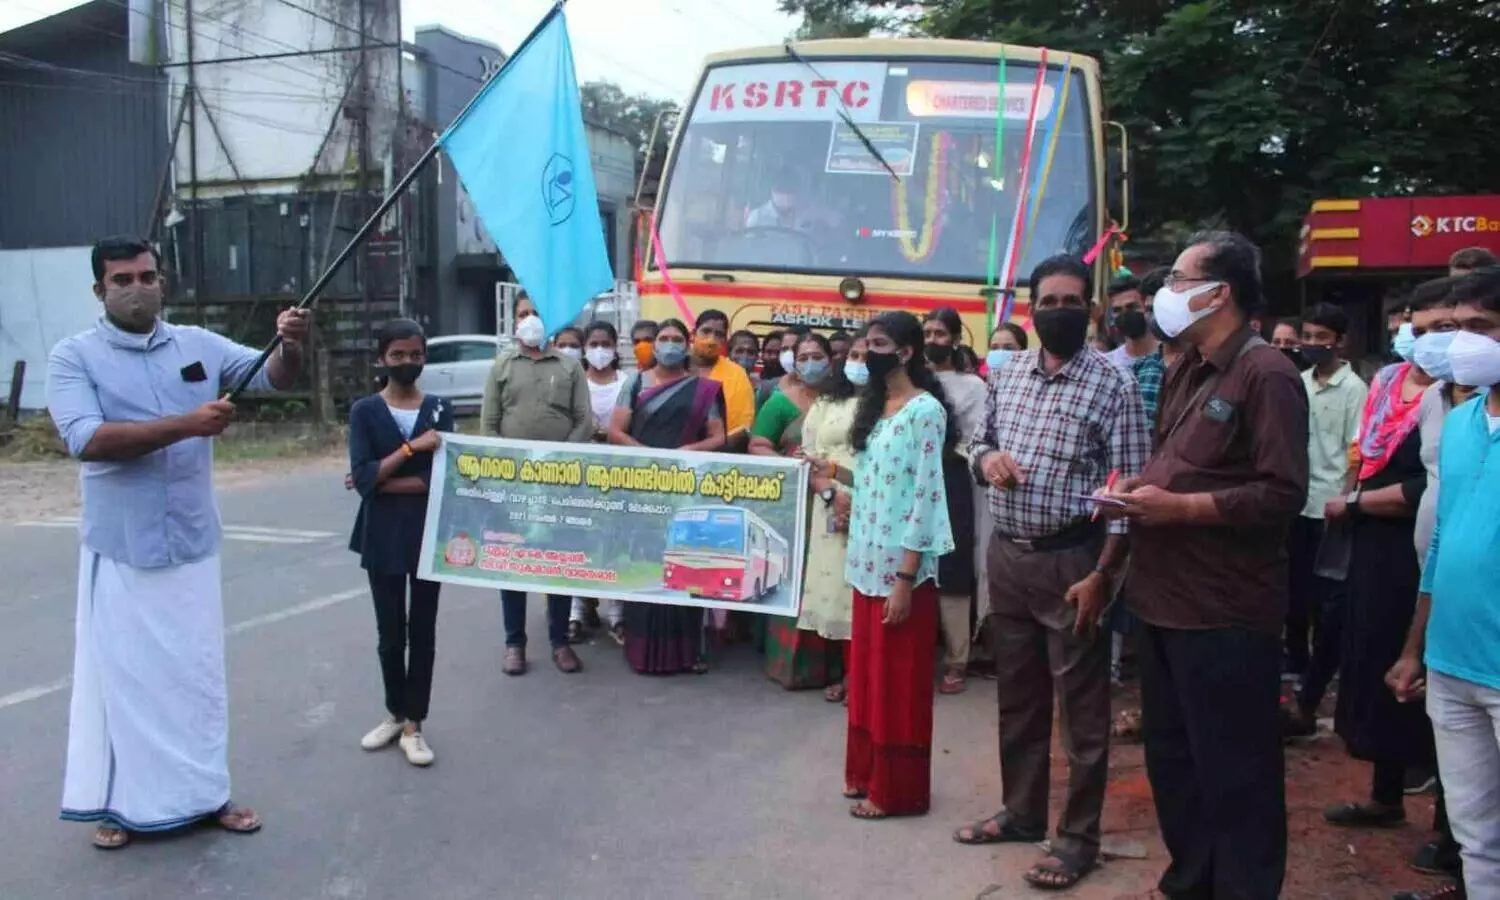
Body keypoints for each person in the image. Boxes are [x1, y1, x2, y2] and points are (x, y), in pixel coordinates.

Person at [49, 236, 309, 849]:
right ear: (99, 290)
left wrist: (292, 342)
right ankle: (118, 806)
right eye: (121, 279)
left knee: (196, 679)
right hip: (122, 549)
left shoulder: (197, 344)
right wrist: (187, 425)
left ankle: (205, 795)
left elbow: (271, 377)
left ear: (163, 280)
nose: (136, 287)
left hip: (191, 542)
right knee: (126, 682)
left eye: (146, 275)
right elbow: (86, 439)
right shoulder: (73, 356)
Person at [1105, 231, 1308, 900]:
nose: (1166, 294)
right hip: (1161, 602)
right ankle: (1191, 880)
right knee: (1174, 762)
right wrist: (1137, 492)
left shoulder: (1267, 374)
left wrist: (1181, 510)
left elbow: (1283, 494)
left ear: (1218, 292)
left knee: (1237, 773)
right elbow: (1177, 465)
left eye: (1179, 279)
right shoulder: (1189, 365)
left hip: (1224, 614)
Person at [955, 255, 1151, 892]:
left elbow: (1126, 493)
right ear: (1030, 308)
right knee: (1018, 697)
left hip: (1073, 561)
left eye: (1072, 302)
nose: (1059, 311)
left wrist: (1104, 574)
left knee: (1083, 711)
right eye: (1048, 301)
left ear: (1091, 311)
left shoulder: (1113, 384)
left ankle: (1076, 840)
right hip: (1008, 555)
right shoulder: (1006, 374)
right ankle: (1020, 812)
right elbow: (976, 441)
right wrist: (988, 461)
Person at [808, 310, 953, 821]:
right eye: (865, 344)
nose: (866, 353)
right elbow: (878, 482)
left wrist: (906, 579)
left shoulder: (924, 411)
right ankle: (865, 775)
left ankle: (898, 792)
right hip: (864, 565)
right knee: (867, 680)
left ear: (906, 352)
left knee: (897, 686)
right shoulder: (877, 406)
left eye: (877, 343)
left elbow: (925, 496)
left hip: (899, 572)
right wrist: (834, 471)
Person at [1388, 267, 1500, 900]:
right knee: (1477, 835)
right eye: (1457, 328)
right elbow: (1441, 543)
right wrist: (1413, 650)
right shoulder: (1459, 424)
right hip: (1452, 662)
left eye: (1481, 329)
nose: (1462, 345)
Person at [1320, 278, 1444, 836]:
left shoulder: (1455, 395)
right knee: (1372, 658)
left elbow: (1427, 489)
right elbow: (1363, 453)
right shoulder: (1389, 381)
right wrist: (1353, 496)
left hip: (1419, 549)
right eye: (1414, 327)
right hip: (1369, 545)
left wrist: (1356, 501)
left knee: (1425, 672)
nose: (1419, 340)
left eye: (1439, 330)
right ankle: (1385, 793)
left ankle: (1448, 827)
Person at [347, 319, 454, 767]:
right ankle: (395, 712)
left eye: (415, 355)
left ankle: (415, 725)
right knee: (389, 634)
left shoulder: (439, 409)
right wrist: (411, 452)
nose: (407, 362)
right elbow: (364, 478)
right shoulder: (364, 411)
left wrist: (380, 477)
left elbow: (443, 479)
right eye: (398, 355)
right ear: (382, 359)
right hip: (381, 537)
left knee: (423, 631)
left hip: (428, 535)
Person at [480, 294, 592, 676]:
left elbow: (584, 421)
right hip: (514, 486)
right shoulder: (500, 367)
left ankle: (560, 641)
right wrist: (507, 473)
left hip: (558, 484)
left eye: (537, 313)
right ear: (514, 322)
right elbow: (489, 426)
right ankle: (515, 644)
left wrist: (558, 464)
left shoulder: (569, 367)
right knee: (512, 562)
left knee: (557, 562)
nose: (530, 320)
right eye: (523, 314)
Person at [608, 319, 728, 674]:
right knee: (644, 563)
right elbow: (615, 431)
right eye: (664, 338)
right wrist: (648, 455)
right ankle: (642, 652)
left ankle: (688, 651)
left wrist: (688, 450)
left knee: (686, 564)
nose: (670, 344)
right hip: (643, 484)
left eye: (678, 339)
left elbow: (718, 437)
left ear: (688, 344)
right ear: (653, 344)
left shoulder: (704, 388)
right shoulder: (636, 382)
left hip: (686, 487)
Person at [763, 332, 856, 694]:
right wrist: (805, 476)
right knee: (808, 580)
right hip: (808, 501)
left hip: (854, 496)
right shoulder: (785, 402)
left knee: (843, 586)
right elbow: (761, 444)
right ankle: (798, 669)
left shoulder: (859, 402)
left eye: (820, 355)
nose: (811, 363)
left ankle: (846, 670)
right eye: (804, 356)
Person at [1281, 303, 1366, 698]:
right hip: (1297, 502)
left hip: (1330, 506)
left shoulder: (1355, 390)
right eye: (1308, 336)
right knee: (1293, 591)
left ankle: (1322, 672)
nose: (1313, 344)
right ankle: (1296, 662)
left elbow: (1356, 450)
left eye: (1322, 337)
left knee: (1326, 598)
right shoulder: (1299, 381)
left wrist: (1346, 499)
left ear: (1340, 342)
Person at [923, 307, 985, 696]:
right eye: (927, 332)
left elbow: (976, 440)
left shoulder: (972, 386)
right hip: (911, 479)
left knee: (953, 566)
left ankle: (957, 659)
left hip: (952, 478)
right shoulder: (910, 380)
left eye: (940, 333)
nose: (932, 340)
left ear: (956, 339)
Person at [568, 321, 627, 645]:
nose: (600, 350)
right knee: (579, 541)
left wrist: (607, 435)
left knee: (615, 543)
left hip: (619, 472)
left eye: (606, 343)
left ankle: (617, 615)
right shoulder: (573, 382)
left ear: (616, 346)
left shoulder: (627, 383)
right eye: (594, 343)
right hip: (578, 473)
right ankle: (576, 612)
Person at [750, 327, 818, 457]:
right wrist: (787, 464)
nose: (788, 354)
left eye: (793, 349)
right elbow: (758, 442)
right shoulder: (767, 389)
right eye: (784, 349)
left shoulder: (833, 394)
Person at [689, 309, 756, 439]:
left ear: (725, 341)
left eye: (719, 334)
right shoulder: (677, 366)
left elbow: (742, 427)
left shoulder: (737, 374)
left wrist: (711, 446)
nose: (711, 339)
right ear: (693, 334)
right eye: (706, 331)